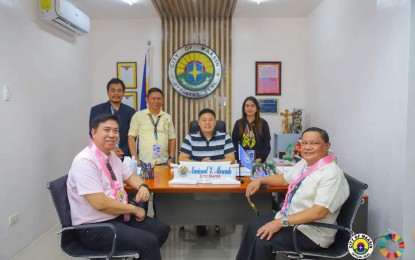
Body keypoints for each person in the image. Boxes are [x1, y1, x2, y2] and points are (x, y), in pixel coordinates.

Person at [236, 127, 350, 260]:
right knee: (254, 225)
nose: (307, 147)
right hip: (293, 220)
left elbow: (318, 212)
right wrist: (261, 180)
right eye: (304, 143)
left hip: (312, 232)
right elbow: (285, 179)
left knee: (262, 240)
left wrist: (279, 222)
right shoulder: (305, 163)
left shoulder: (331, 173)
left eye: (314, 143)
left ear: (327, 146)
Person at [67, 114, 169, 260]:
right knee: (149, 242)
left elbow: (130, 176)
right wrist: (135, 209)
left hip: (116, 217)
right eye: (107, 130)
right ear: (94, 132)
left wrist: (142, 186)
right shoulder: (85, 161)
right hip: (94, 227)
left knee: (161, 229)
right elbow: (100, 203)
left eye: (115, 131)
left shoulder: (111, 156)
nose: (112, 135)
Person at [179, 108, 236, 236]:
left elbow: (231, 159)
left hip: (218, 177)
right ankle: (201, 220)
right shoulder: (191, 137)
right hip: (196, 178)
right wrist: (201, 165)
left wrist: (213, 164)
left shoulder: (224, 137)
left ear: (215, 122)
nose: (207, 123)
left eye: (210, 120)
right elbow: (182, 158)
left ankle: (213, 217)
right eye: (204, 120)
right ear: (198, 123)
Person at [128, 88, 176, 166]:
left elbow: (172, 138)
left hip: (164, 161)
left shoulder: (167, 117)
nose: (156, 101)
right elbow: (131, 137)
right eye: (153, 98)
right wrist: (135, 158)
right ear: (147, 99)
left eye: (159, 98)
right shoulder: (138, 116)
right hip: (144, 162)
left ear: (162, 100)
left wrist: (171, 157)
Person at [89, 78, 135, 159]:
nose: (116, 93)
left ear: (123, 93)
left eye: (119, 90)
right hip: (102, 155)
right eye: (113, 90)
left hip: (123, 156)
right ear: (108, 92)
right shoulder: (96, 110)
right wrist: (109, 150)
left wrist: (122, 151)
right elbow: (93, 133)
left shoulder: (131, 112)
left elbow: (132, 136)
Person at [232, 96, 271, 163]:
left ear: (256, 109)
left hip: (258, 161)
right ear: (244, 108)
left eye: (252, 106)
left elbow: (266, 144)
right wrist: (240, 157)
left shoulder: (263, 123)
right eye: (247, 106)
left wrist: (261, 158)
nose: (249, 108)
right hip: (242, 161)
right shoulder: (238, 123)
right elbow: (234, 142)